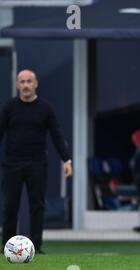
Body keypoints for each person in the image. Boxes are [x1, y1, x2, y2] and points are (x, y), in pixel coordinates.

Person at [0, 69, 72, 254]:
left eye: (29, 81)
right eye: (22, 82)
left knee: (37, 206)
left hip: (37, 164)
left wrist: (66, 159)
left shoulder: (46, 108)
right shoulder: (9, 108)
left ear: (36, 84)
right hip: (12, 164)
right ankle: (7, 246)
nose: (25, 85)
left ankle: (36, 246)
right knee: (10, 206)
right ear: (17, 84)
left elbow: (57, 134)